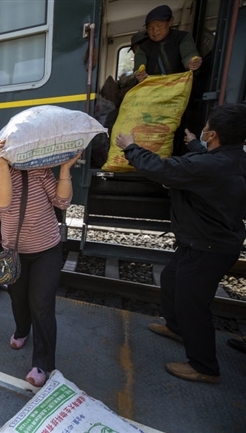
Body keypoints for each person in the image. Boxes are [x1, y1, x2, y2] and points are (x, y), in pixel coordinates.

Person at [115, 103, 246, 384]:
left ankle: (204, 367)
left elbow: (162, 169)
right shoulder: (234, 158)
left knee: (193, 305)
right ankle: (176, 327)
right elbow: (208, 162)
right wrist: (196, 144)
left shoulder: (207, 166)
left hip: (207, 246)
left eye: (206, 128)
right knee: (172, 279)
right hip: (207, 243)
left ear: (211, 135)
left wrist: (130, 147)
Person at [0, 139, 79, 387]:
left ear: (0, 156)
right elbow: (4, 203)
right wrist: (2, 170)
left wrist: (64, 170)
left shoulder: (35, 172)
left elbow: (62, 202)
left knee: (41, 304)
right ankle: (22, 330)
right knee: (18, 299)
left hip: (47, 251)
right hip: (14, 254)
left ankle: (42, 364)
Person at [134, 5, 202, 83]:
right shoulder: (143, 48)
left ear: (170, 22)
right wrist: (139, 74)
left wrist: (192, 62)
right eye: (150, 28)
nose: (155, 31)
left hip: (181, 84)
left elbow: (189, 54)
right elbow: (138, 68)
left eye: (159, 25)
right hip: (155, 88)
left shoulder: (182, 37)